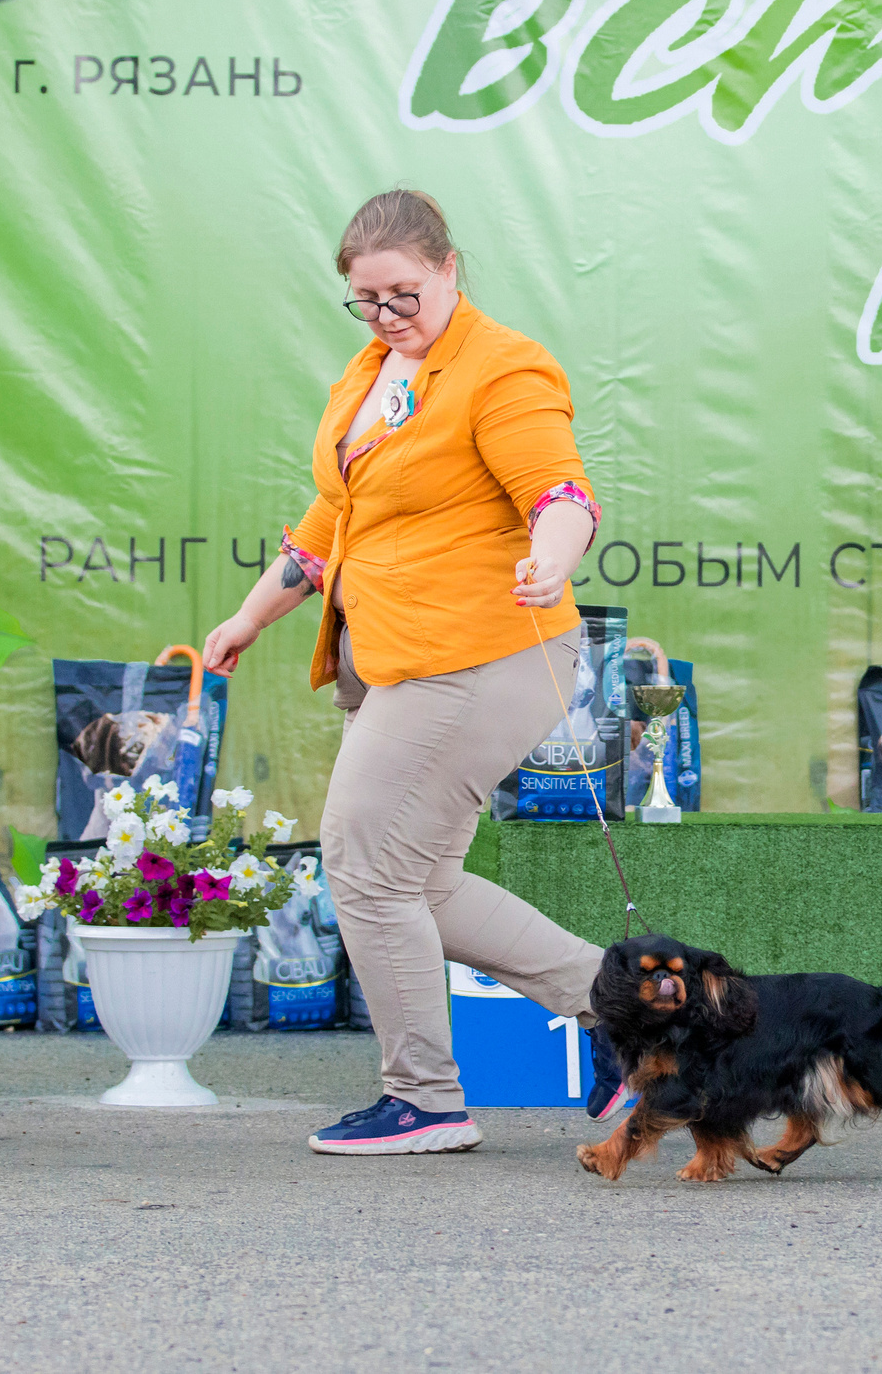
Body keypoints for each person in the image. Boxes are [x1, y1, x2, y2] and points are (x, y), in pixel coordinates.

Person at [202, 189, 625, 1155]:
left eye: (403, 295)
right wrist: (250, 615)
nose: (389, 316)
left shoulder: (502, 367)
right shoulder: (374, 373)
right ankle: (623, 1010)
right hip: (403, 660)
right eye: (367, 300)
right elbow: (332, 517)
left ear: (449, 272)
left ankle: (425, 1100)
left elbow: (561, 490)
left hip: (481, 654)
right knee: (420, 883)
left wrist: (555, 554)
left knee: (358, 859)